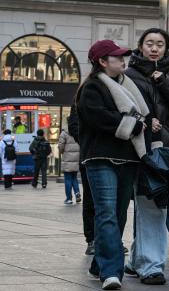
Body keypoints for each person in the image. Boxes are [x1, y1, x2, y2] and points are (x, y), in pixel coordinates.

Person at [77, 39, 150, 290]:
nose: (123, 60)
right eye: (117, 57)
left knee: (118, 215)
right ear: (103, 62)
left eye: (123, 56)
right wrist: (133, 124)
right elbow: (99, 118)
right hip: (100, 158)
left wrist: (142, 124)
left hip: (128, 159)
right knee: (106, 213)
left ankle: (99, 263)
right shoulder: (91, 88)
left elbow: (140, 115)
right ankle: (111, 271)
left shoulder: (128, 86)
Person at [125, 28, 169, 253]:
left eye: (160, 44)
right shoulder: (130, 74)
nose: (154, 48)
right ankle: (144, 251)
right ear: (140, 46)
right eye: (149, 43)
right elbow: (126, 107)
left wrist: (165, 81)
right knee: (146, 198)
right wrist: (145, 120)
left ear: (166, 48)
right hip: (143, 145)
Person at [68, 105, 96, 255]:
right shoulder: (82, 96)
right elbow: (73, 125)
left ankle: (110, 238)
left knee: (111, 202)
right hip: (90, 156)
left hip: (111, 156)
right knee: (90, 199)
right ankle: (91, 239)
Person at [59, 125, 81, 205]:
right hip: (76, 158)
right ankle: (77, 193)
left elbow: (61, 146)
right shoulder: (78, 131)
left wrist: (61, 151)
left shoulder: (64, 133)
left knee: (67, 179)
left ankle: (69, 198)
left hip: (67, 158)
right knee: (74, 178)